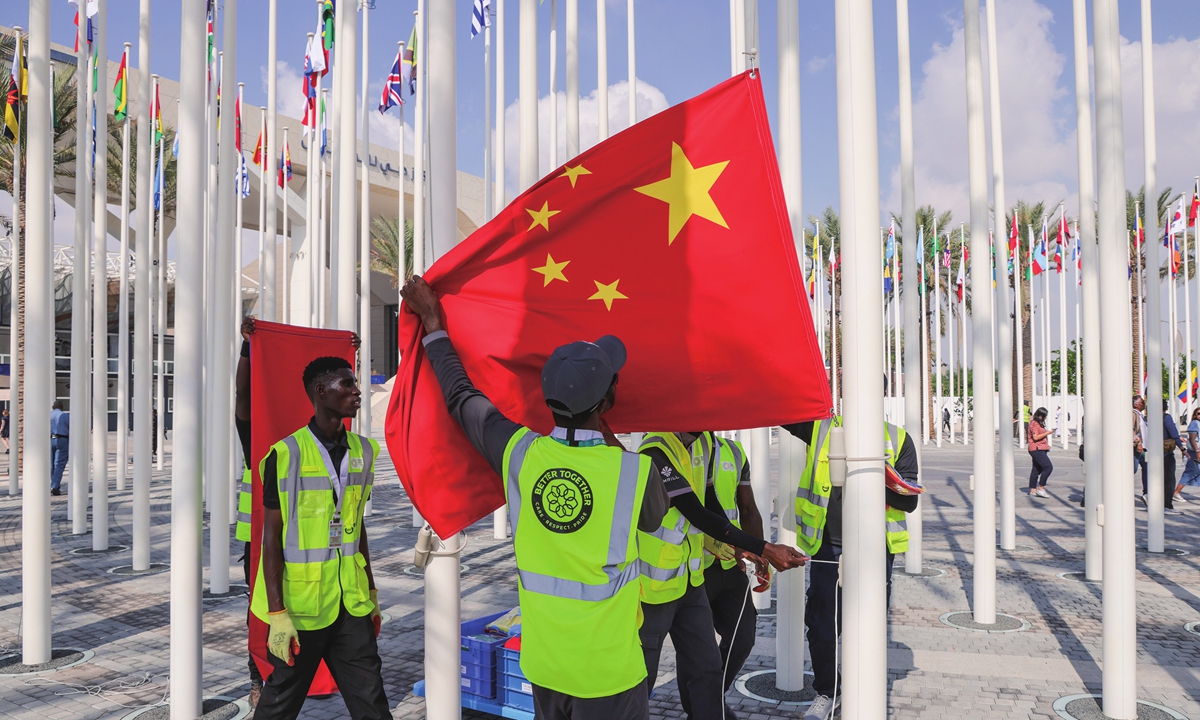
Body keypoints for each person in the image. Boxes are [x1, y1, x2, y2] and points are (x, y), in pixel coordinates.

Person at [401, 276, 796, 720]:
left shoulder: (518, 453)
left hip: (545, 665)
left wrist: (434, 322)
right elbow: (653, 517)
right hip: (610, 673)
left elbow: (461, 397)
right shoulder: (635, 471)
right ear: (608, 400)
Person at [249, 355, 389, 720]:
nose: (357, 391)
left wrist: (371, 593)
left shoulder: (365, 451)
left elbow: (356, 529)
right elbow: (271, 539)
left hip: (350, 605)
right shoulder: (286, 455)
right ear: (320, 391)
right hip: (301, 611)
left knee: (372, 703)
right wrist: (277, 614)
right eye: (347, 384)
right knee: (279, 704)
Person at [637, 430, 803, 720]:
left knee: (707, 668)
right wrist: (765, 548)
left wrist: (743, 546)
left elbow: (710, 503)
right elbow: (695, 511)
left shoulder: (704, 444)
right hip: (653, 587)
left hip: (690, 581)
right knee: (642, 676)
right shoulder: (654, 450)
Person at [782, 419, 919, 720]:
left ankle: (864, 693)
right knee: (821, 625)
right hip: (828, 545)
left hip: (874, 547)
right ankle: (829, 692)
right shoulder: (822, 429)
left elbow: (909, 502)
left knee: (868, 626)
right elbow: (785, 412)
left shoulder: (897, 438)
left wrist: (870, 477)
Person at [696, 431, 767, 702]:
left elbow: (747, 510)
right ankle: (702, 709)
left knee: (742, 639)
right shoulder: (676, 447)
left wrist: (761, 554)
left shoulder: (734, 451)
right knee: (697, 652)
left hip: (730, 566)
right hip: (694, 570)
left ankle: (711, 700)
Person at [1161, 400, 1185, 514]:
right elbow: (1174, 434)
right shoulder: (1166, 417)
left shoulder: (1148, 418)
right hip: (1166, 452)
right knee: (1169, 478)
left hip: (1153, 452)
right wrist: (1182, 449)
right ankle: (1167, 505)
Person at [1027, 407, 1054, 498]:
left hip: (1040, 448)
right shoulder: (1034, 424)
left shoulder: (1039, 423)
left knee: (1036, 469)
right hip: (1036, 448)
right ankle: (1041, 488)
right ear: (1041, 415)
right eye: (1045, 416)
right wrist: (1047, 433)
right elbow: (1036, 437)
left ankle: (1033, 489)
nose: (1046, 418)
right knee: (1048, 467)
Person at [1179, 407, 1200, 501]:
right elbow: (1192, 439)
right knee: (1190, 472)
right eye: (1198, 413)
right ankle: (1176, 492)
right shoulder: (1195, 423)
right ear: (1195, 415)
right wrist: (1197, 451)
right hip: (1195, 452)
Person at [50, 401, 69, 496]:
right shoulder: (66, 416)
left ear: (53, 407)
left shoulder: (48, 416)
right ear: (62, 407)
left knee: (51, 464)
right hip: (62, 439)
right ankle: (55, 485)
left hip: (49, 440)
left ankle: (53, 484)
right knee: (59, 464)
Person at [1134, 395, 1149, 505]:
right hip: (1137, 448)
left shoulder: (1140, 415)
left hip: (1143, 448)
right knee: (1131, 470)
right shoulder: (1133, 414)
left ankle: (1147, 493)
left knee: (1148, 468)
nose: (1144, 404)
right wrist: (1138, 443)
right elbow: (1132, 430)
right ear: (1136, 404)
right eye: (1142, 402)